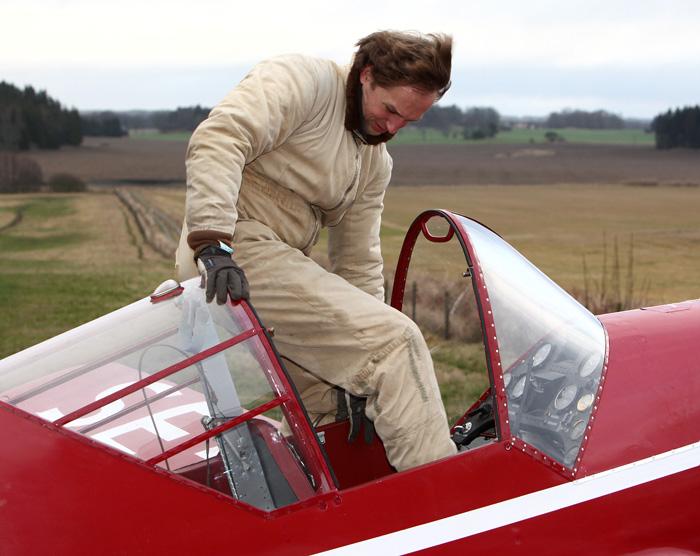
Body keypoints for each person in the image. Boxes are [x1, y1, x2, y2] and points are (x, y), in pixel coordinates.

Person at [176, 30, 457, 471]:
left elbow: (358, 257)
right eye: (390, 110)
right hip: (234, 250)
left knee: (330, 402)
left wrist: (359, 355)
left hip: (283, 259)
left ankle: (322, 514)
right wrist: (212, 242)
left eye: (410, 122)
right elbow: (221, 137)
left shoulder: (373, 161)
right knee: (396, 345)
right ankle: (449, 510)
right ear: (367, 75)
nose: (393, 128)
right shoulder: (303, 81)